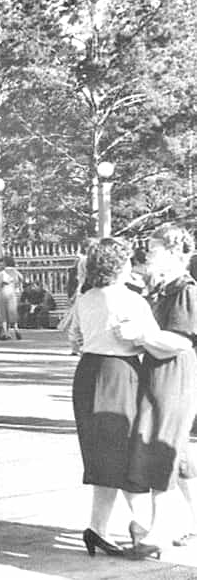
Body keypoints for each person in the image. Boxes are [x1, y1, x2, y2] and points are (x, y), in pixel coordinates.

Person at [65, 237, 174, 558]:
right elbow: (150, 340)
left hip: (88, 373)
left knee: (102, 454)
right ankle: (141, 527)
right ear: (121, 265)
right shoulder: (130, 300)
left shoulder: (85, 298)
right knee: (128, 451)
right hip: (120, 374)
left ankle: (98, 528)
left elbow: (74, 338)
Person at [118, 224, 197, 559]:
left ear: (173, 251)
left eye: (153, 249)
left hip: (173, 372)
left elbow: (180, 341)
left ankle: (159, 529)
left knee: (159, 445)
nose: (147, 255)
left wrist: (139, 335)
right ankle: (189, 520)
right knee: (174, 449)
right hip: (158, 369)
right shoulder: (164, 287)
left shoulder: (184, 289)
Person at [0, 256, 24, 340]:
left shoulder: (3, 272)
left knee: (4, 313)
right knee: (12, 312)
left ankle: (6, 333)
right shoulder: (15, 272)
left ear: (5, 263)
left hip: (4, 292)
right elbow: (21, 278)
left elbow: (0, 281)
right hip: (12, 292)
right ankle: (16, 328)